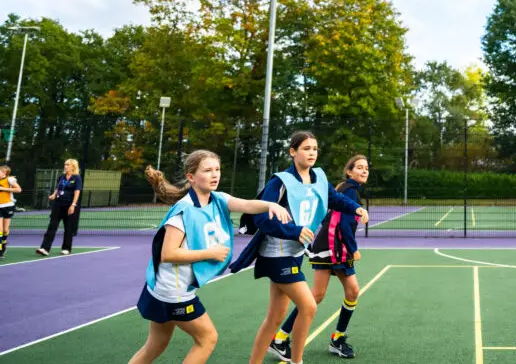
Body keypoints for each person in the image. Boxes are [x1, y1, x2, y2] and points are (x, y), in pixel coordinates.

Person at [128, 149, 292, 364]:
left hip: (164, 286)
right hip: (172, 291)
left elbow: (247, 205)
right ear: (191, 177)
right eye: (207, 170)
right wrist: (210, 253)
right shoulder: (183, 212)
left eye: (217, 169)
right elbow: (168, 254)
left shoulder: (218, 199)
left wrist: (271, 204)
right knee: (207, 339)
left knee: (156, 344)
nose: (215, 175)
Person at [230, 131, 370, 364]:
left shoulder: (318, 178)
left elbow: (334, 198)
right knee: (308, 306)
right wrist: (294, 231)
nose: (312, 153)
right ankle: (297, 361)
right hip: (276, 253)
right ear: (293, 152)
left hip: (294, 253)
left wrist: (355, 208)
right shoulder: (281, 181)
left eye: (315, 149)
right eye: (306, 148)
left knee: (275, 318)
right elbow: (261, 218)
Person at [270, 155, 370, 361]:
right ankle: (283, 339)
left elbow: (329, 215)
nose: (364, 171)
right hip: (334, 246)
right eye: (359, 167)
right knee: (327, 294)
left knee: (337, 293)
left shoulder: (346, 189)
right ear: (349, 171)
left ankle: (332, 338)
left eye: (366, 168)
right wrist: (353, 248)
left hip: (330, 244)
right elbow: (343, 223)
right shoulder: (350, 190)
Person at [36, 158, 82, 256]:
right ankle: (45, 248)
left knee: (68, 228)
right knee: (52, 226)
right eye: (65, 164)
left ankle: (66, 248)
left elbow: (77, 192)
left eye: (68, 165)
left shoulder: (77, 178)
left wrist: (73, 205)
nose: (65, 166)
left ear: (73, 166)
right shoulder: (62, 177)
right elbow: (58, 188)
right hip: (58, 204)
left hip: (69, 205)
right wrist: (53, 195)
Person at [0, 164, 22, 259]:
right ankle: (0, 249)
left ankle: (4, 243)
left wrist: (3, 188)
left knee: (5, 229)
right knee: (0, 229)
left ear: (4, 173)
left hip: (8, 206)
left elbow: (19, 189)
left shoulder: (10, 180)